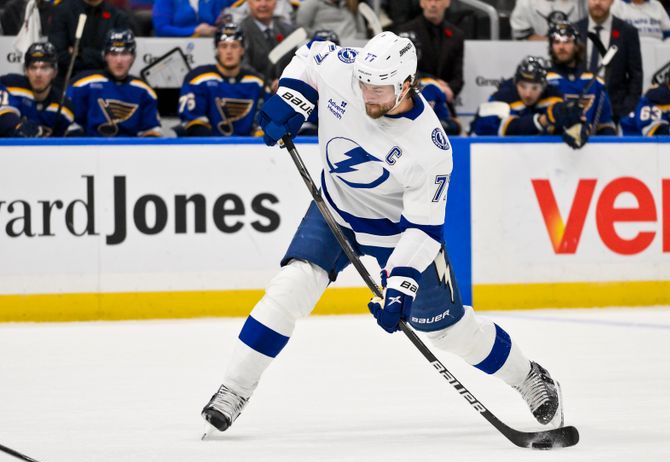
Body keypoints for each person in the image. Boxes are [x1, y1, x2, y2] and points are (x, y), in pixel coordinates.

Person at [200, 31, 566, 436]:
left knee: (448, 332)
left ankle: (528, 376)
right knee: (289, 289)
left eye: (379, 88)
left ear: (406, 84)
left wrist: (401, 285)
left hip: (398, 234)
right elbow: (310, 56)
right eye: (364, 84)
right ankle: (233, 390)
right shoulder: (347, 69)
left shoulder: (431, 149)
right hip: (335, 210)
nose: (367, 94)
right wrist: (291, 95)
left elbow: (424, 229)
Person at [67, 28, 162, 138]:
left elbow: (152, 132)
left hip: (130, 152)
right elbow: (71, 128)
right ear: (105, 56)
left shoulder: (144, 91)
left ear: (133, 57)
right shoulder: (82, 85)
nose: (119, 60)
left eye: (125, 54)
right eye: (113, 54)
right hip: (91, 151)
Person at [50, 0, 130, 85]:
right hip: (70, 83)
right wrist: (100, 55)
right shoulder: (63, 12)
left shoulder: (119, 17)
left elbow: (117, 59)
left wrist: (79, 52)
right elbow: (58, 56)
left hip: (107, 84)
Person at [178, 22, 266, 137]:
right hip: (208, 150)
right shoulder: (198, 79)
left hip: (249, 149)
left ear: (242, 50)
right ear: (217, 49)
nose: (229, 52)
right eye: (223, 46)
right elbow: (194, 122)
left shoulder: (257, 83)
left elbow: (265, 123)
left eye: (234, 46)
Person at [574, 0, 643, 124]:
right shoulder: (575, 30)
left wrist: (626, 110)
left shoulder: (627, 32)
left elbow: (636, 76)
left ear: (612, 0)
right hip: (578, 108)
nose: (597, 2)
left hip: (614, 111)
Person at [470, 55, 583, 141]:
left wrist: (576, 128)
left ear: (544, 86)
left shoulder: (552, 95)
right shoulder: (501, 96)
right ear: (516, 83)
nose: (528, 94)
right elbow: (488, 129)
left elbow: (563, 125)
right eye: (523, 86)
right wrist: (542, 120)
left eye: (534, 88)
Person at [546, 22, 616, 142]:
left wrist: (606, 143)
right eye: (557, 42)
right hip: (548, 148)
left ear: (577, 45)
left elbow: (605, 123)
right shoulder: (544, 80)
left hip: (587, 150)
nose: (561, 47)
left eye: (567, 42)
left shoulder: (595, 82)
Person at [397, 0, 465, 102]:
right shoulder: (405, 32)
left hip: (444, 102)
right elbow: (404, 71)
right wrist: (434, 84)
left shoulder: (457, 35)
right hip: (414, 99)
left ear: (447, 1)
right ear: (421, 2)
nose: (432, 4)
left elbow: (458, 77)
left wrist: (449, 90)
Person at [0, 42, 74, 138]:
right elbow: (3, 116)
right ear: (26, 71)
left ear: (55, 72)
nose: (38, 74)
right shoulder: (10, 85)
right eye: (33, 67)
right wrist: (18, 127)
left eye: (44, 68)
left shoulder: (63, 106)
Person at [397, 31, 461, 135]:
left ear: (417, 54)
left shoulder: (431, 85)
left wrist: (428, 126)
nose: (404, 58)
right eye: (400, 52)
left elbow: (451, 126)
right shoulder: (376, 85)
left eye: (409, 52)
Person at [240, 0, 299, 90]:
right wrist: (269, 83)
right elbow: (243, 67)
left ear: (275, 3)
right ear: (249, 3)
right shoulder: (241, 31)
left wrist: (286, 82)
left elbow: (297, 63)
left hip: (287, 92)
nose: (263, 4)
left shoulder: (288, 30)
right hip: (254, 91)